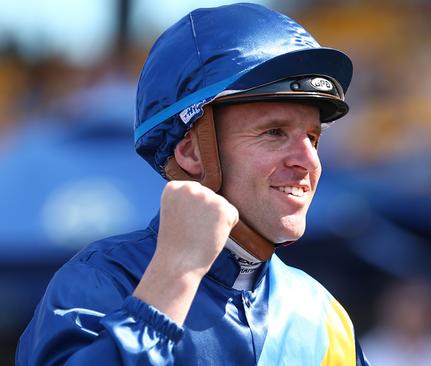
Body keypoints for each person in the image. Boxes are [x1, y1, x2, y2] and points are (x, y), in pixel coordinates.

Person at [16, 4, 368, 365]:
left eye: (312, 138)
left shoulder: (325, 316)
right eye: (274, 132)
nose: (308, 161)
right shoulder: (100, 282)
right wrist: (174, 278)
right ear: (191, 153)